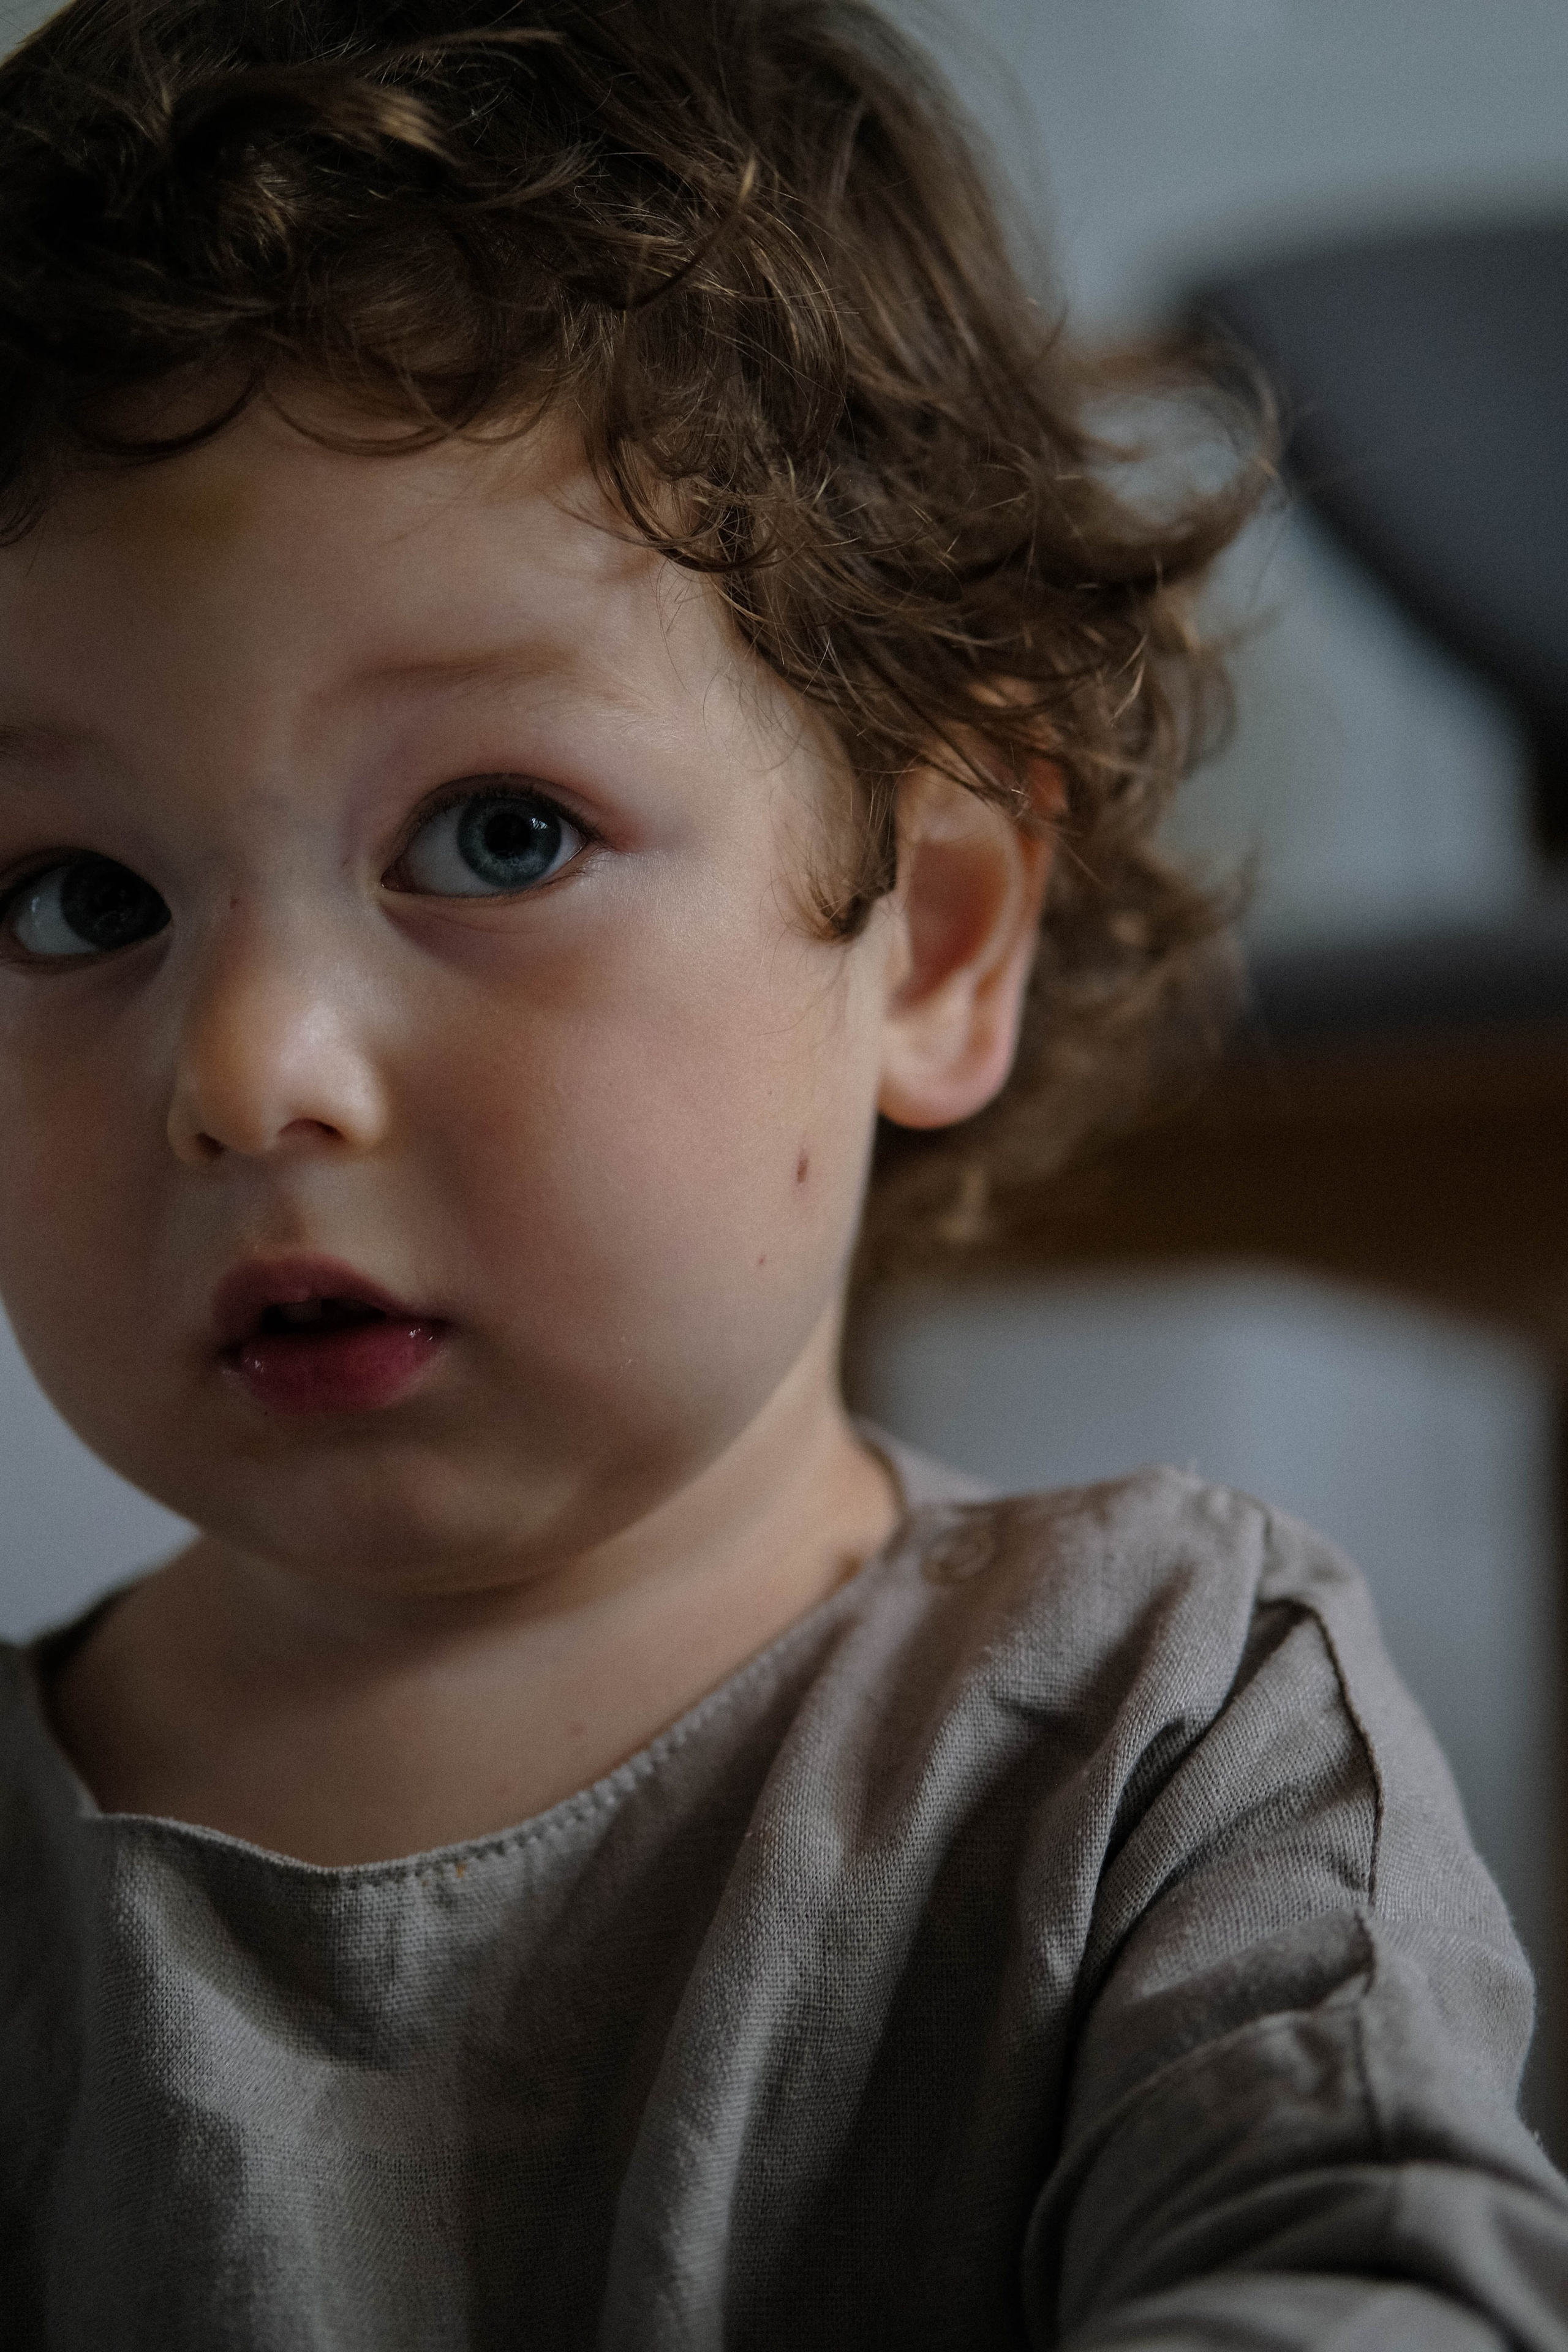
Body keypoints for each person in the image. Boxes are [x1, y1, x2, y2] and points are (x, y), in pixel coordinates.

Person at [0, 0, 1564, 2342]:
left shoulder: (1150, 1732)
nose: (248, 1073)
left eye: (495, 836)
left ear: (932, 933)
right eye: (70, 899)